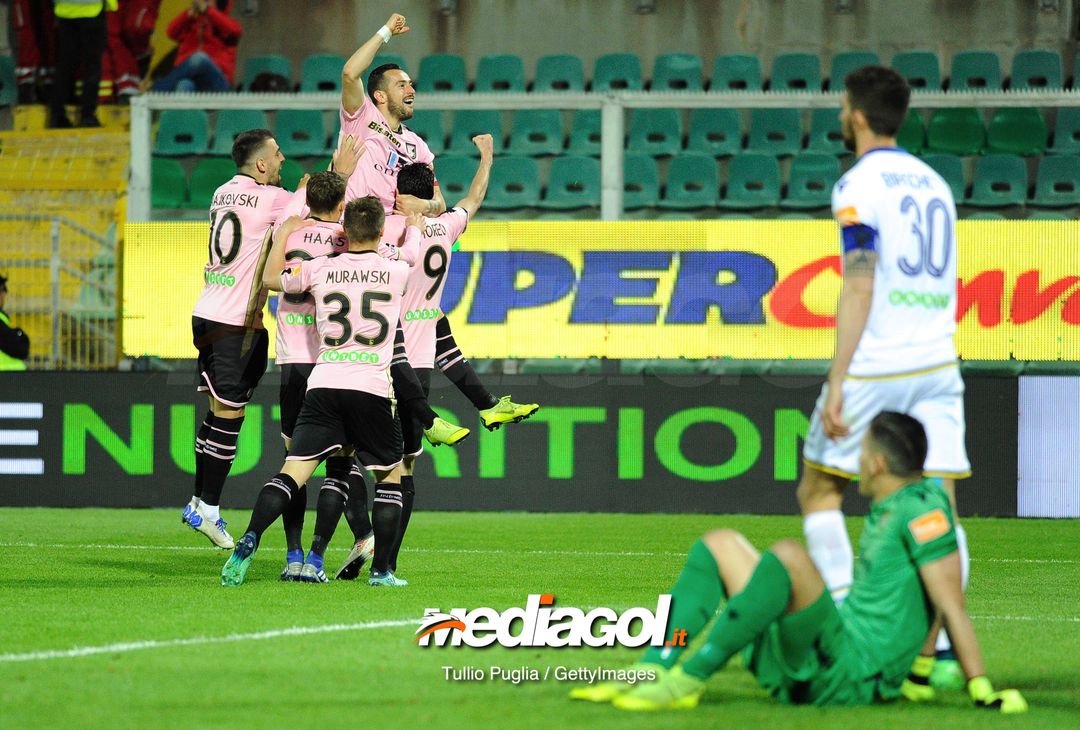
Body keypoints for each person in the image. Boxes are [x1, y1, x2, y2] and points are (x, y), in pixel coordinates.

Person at [572, 412, 1026, 714]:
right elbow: (928, 596)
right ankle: (655, 665)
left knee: (789, 556)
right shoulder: (898, 505)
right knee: (719, 545)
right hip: (834, 653)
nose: (857, 461)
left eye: (862, 453)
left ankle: (688, 680)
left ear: (877, 463)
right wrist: (921, 673)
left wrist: (981, 687)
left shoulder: (923, 512)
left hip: (851, 676)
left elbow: (949, 601)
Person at [794, 66, 971, 687]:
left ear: (859, 115)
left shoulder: (857, 185)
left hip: (879, 362)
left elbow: (861, 281)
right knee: (938, 505)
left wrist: (839, 377)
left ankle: (851, 626)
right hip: (938, 360)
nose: (843, 115)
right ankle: (941, 653)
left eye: (845, 107)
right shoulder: (935, 184)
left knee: (819, 490)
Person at [220, 197, 424, 588]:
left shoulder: (319, 269)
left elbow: (269, 279)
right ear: (381, 233)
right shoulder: (396, 269)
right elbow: (412, 252)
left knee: (291, 473)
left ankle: (250, 537)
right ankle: (381, 571)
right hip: (371, 387)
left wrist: (282, 234)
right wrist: (412, 225)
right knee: (390, 477)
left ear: (344, 233)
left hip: (324, 383)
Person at [182, 128, 363, 550]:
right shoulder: (275, 200)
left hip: (206, 311)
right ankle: (208, 508)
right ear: (261, 163)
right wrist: (340, 170)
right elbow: (317, 204)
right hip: (237, 323)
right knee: (230, 416)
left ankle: (197, 500)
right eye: (278, 155)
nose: (283, 161)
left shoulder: (222, 192)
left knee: (214, 414)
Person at [335, 134, 495, 582]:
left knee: (342, 456)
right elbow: (474, 197)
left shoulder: (379, 230)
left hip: (368, 361)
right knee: (403, 468)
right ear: (429, 195)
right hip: (417, 365)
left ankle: (356, 535)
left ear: (395, 192)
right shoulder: (447, 226)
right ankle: (386, 566)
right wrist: (486, 157)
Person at [49, 0, 115, 128]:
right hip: (92, 10)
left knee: (65, 64)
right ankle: (88, 115)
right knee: (92, 65)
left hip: (64, 10)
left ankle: (57, 116)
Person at [151, 0, 239, 92]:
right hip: (196, 82)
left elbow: (234, 31)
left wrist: (207, 10)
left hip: (219, 84)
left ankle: (157, 90)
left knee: (200, 58)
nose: (202, 3)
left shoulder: (229, 24)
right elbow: (171, 32)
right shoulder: (192, 24)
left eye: (207, 1)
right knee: (184, 84)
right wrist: (188, 14)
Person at [0, 274, 31, 371]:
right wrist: (19, 334)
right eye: (3, 289)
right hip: (9, 380)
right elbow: (21, 348)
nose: (4, 294)